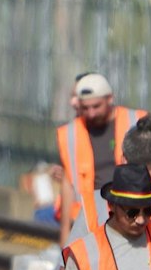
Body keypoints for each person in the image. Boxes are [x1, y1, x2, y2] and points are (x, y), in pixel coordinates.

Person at [54, 73, 145, 243]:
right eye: (85, 108)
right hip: (87, 219)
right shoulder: (70, 134)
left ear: (110, 99)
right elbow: (68, 183)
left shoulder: (136, 122)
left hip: (130, 215)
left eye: (96, 106)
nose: (91, 113)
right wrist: (65, 234)